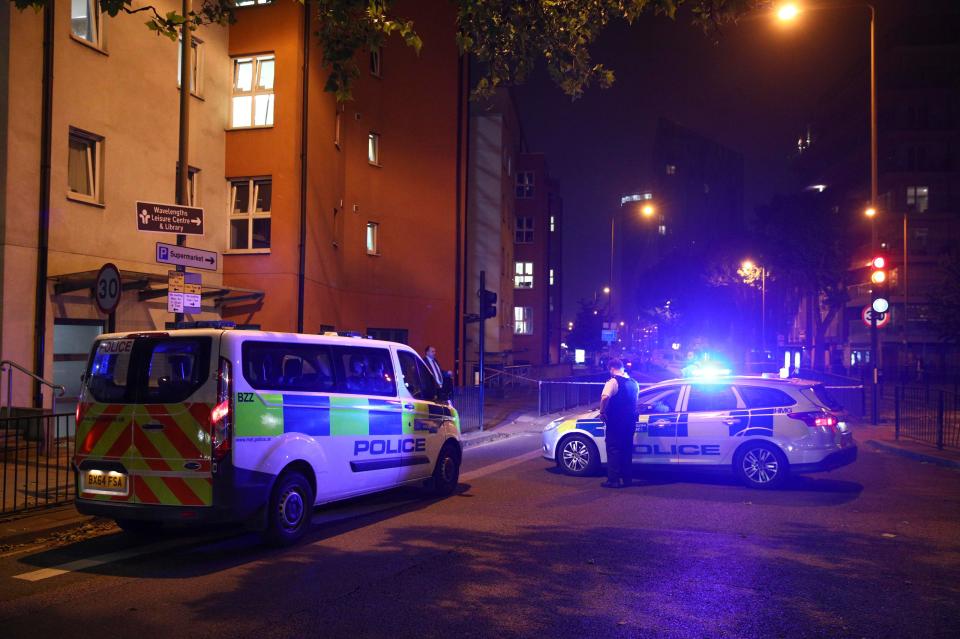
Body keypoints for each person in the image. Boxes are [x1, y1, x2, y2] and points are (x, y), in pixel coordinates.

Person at [599, 358, 640, 488]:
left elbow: (605, 397)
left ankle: (613, 480)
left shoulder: (613, 381)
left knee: (613, 449)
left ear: (611, 368)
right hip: (630, 422)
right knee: (626, 450)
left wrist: (602, 412)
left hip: (616, 422)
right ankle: (627, 479)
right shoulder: (634, 383)